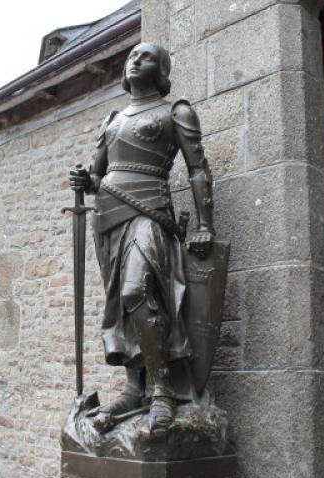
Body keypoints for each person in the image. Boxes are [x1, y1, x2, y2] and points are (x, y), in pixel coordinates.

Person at [69, 42, 215, 436]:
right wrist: (86, 181)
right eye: (131, 55)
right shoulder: (113, 120)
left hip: (151, 214)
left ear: (162, 68)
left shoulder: (175, 112)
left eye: (146, 56)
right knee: (121, 303)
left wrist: (205, 224)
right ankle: (134, 389)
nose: (135, 60)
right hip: (108, 218)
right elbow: (100, 175)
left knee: (137, 291)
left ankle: (164, 391)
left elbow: (198, 169)